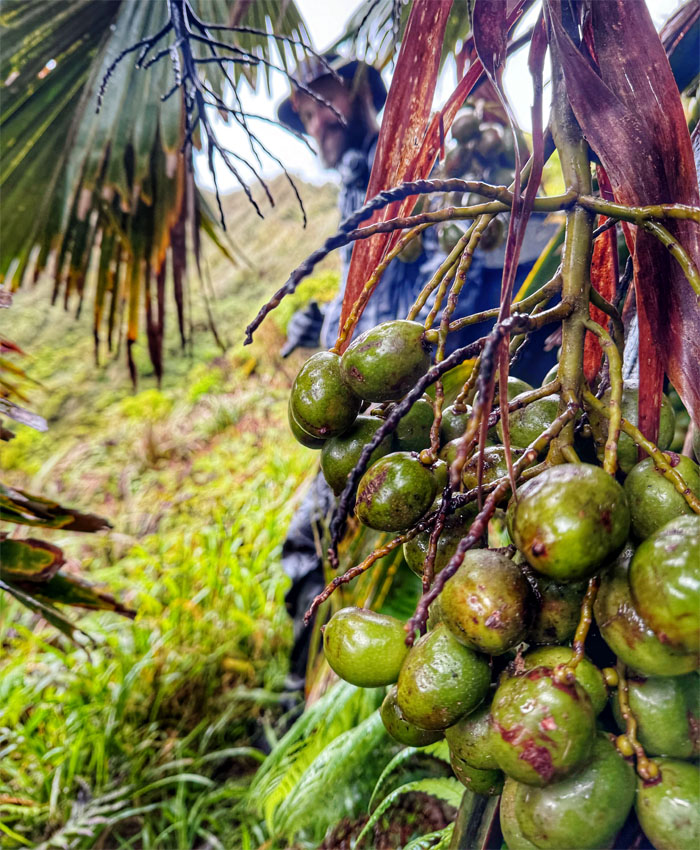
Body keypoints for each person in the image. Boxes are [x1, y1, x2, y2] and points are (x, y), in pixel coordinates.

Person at [276, 54, 557, 684]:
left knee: (318, 536)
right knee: (329, 540)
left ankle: (309, 682)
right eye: (303, 111)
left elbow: (450, 271)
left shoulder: (406, 162)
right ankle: (308, 684)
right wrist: (321, 318)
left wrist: (426, 364)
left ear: (366, 96)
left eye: (324, 101)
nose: (315, 118)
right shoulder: (355, 178)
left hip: (401, 396)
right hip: (370, 397)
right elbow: (371, 288)